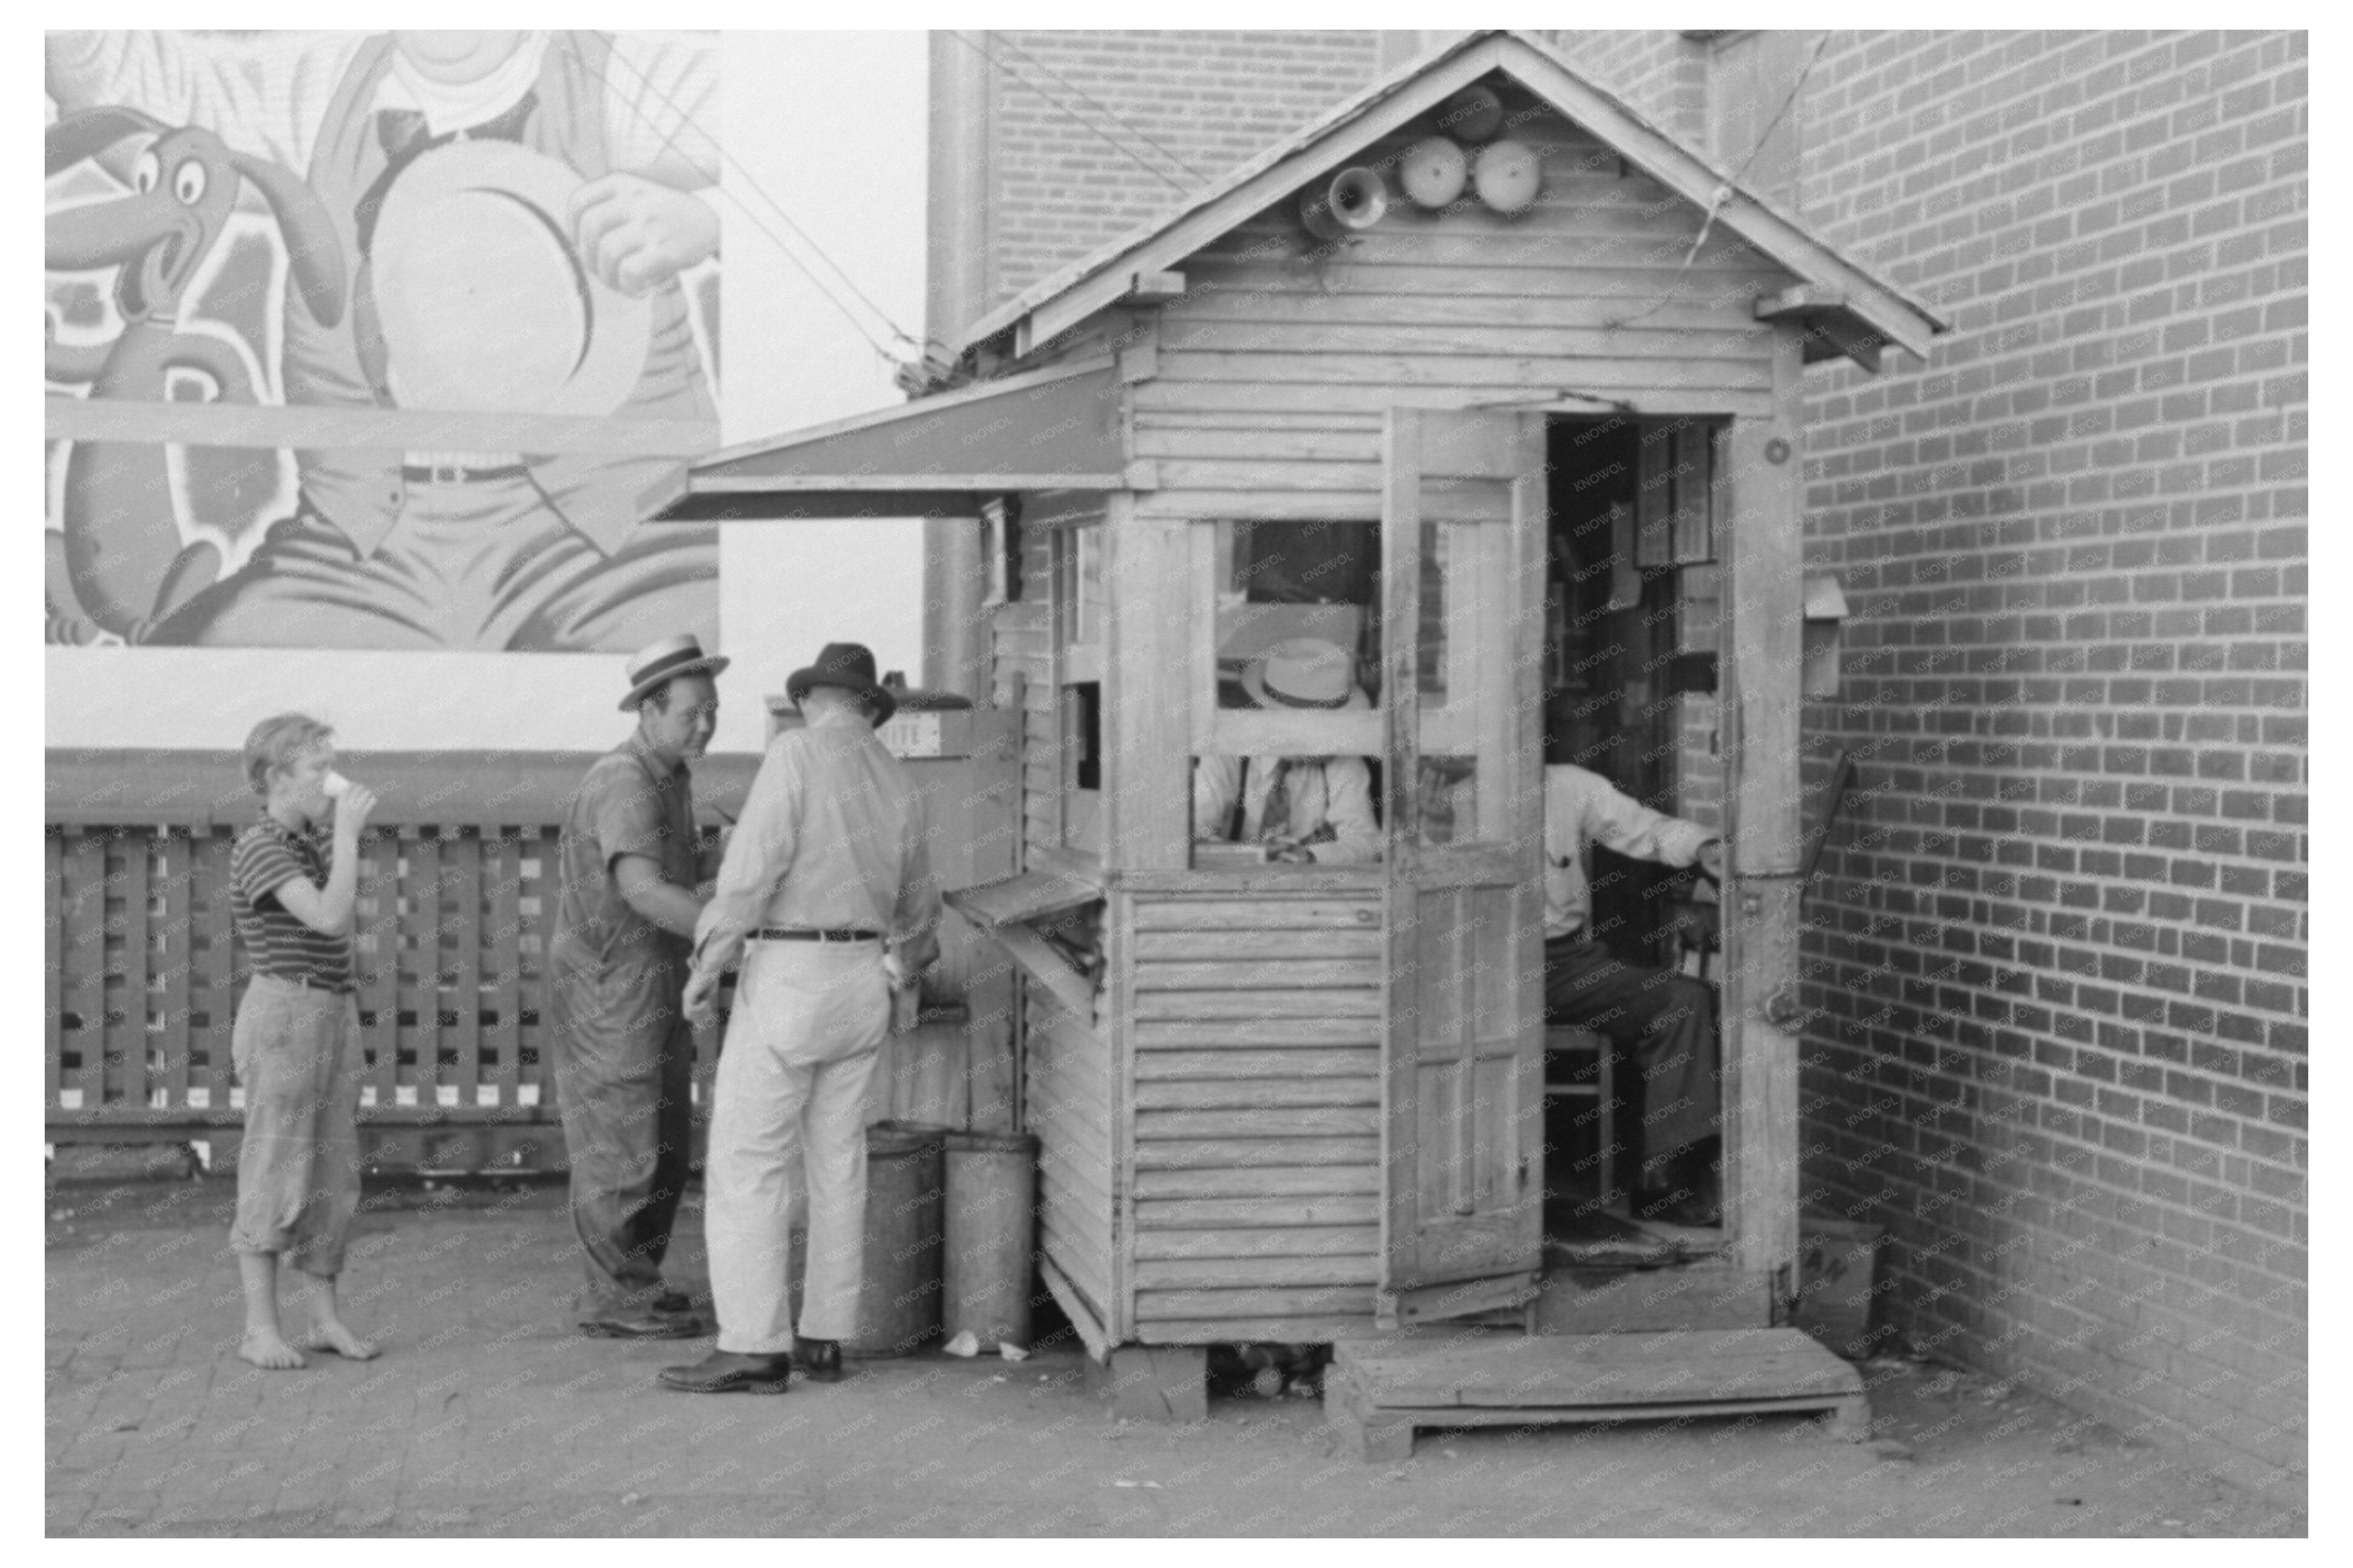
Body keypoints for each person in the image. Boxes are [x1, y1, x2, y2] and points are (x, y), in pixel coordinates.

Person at [45, 29, 722, 651]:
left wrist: (705, 220)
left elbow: (804, 158)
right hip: (361, 544)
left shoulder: (630, 75)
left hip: (621, 536)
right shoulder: (317, 86)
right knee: (206, 650)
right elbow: (134, 94)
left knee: (688, 640)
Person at [662, 643, 941, 1395]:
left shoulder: (794, 755)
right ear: (868, 709)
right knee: (837, 1160)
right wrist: (907, 975)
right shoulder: (898, 782)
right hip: (863, 983)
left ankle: (753, 1344)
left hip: (790, 975)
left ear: (814, 699)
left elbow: (751, 875)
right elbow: (920, 908)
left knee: (749, 1163)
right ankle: (825, 1336)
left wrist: (708, 964)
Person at [549, 633, 728, 1339]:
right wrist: (725, 935)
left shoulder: (670, 774)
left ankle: (638, 1279)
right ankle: (611, 1298)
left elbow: (674, 878)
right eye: (691, 713)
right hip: (611, 986)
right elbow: (646, 892)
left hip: (652, 981)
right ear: (650, 712)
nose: (706, 724)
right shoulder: (624, 781)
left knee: (662, 1141)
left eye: (712, 709)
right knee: (619, 1146)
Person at [226, 713, 382, 1369]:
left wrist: (336, 837)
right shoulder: (261, 846)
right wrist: (348, 834)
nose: (330, 779)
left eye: (328, 764)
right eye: (316, 768)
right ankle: (260, 1329)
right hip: (286, 1014)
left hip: (328, 1010)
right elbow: (327, 916)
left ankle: (322, 1320)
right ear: (273, 779)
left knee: (331, 1171)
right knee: (274, 1166)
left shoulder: (308, 841)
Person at [1543, 761, 1727, 1227]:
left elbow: (1644, 828)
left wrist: (1703, 845)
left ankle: (1669, 1182)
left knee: (1686, 1002)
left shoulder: (1565, 785)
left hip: (1563, 966)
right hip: (1472, 967)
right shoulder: (1429, 793)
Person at [1191, 637, 1382, 864]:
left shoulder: (1342, 761)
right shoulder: (1228, 754)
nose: (1318, 738)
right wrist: (1254, 855)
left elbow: (1368, 843)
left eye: (1324, 726)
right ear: (1269, 715)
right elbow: (1192, 836)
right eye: (1306, 726)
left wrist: (1311, 857)